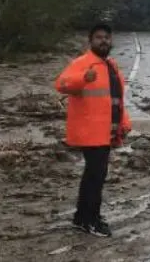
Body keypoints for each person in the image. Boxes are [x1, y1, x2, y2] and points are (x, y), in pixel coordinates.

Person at [54, 23, 131, 237]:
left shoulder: (112, 66)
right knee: (95, 177)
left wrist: (124, 123)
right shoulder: (82, 63)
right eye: (99, 37)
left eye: (107, 37)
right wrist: (82, 79)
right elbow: (60, 84)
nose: (104, 41)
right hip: (90, 133)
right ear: (91, 41)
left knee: (93, 176)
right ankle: (91, 220)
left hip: (106, 133)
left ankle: (82, 217)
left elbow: (117, 100)